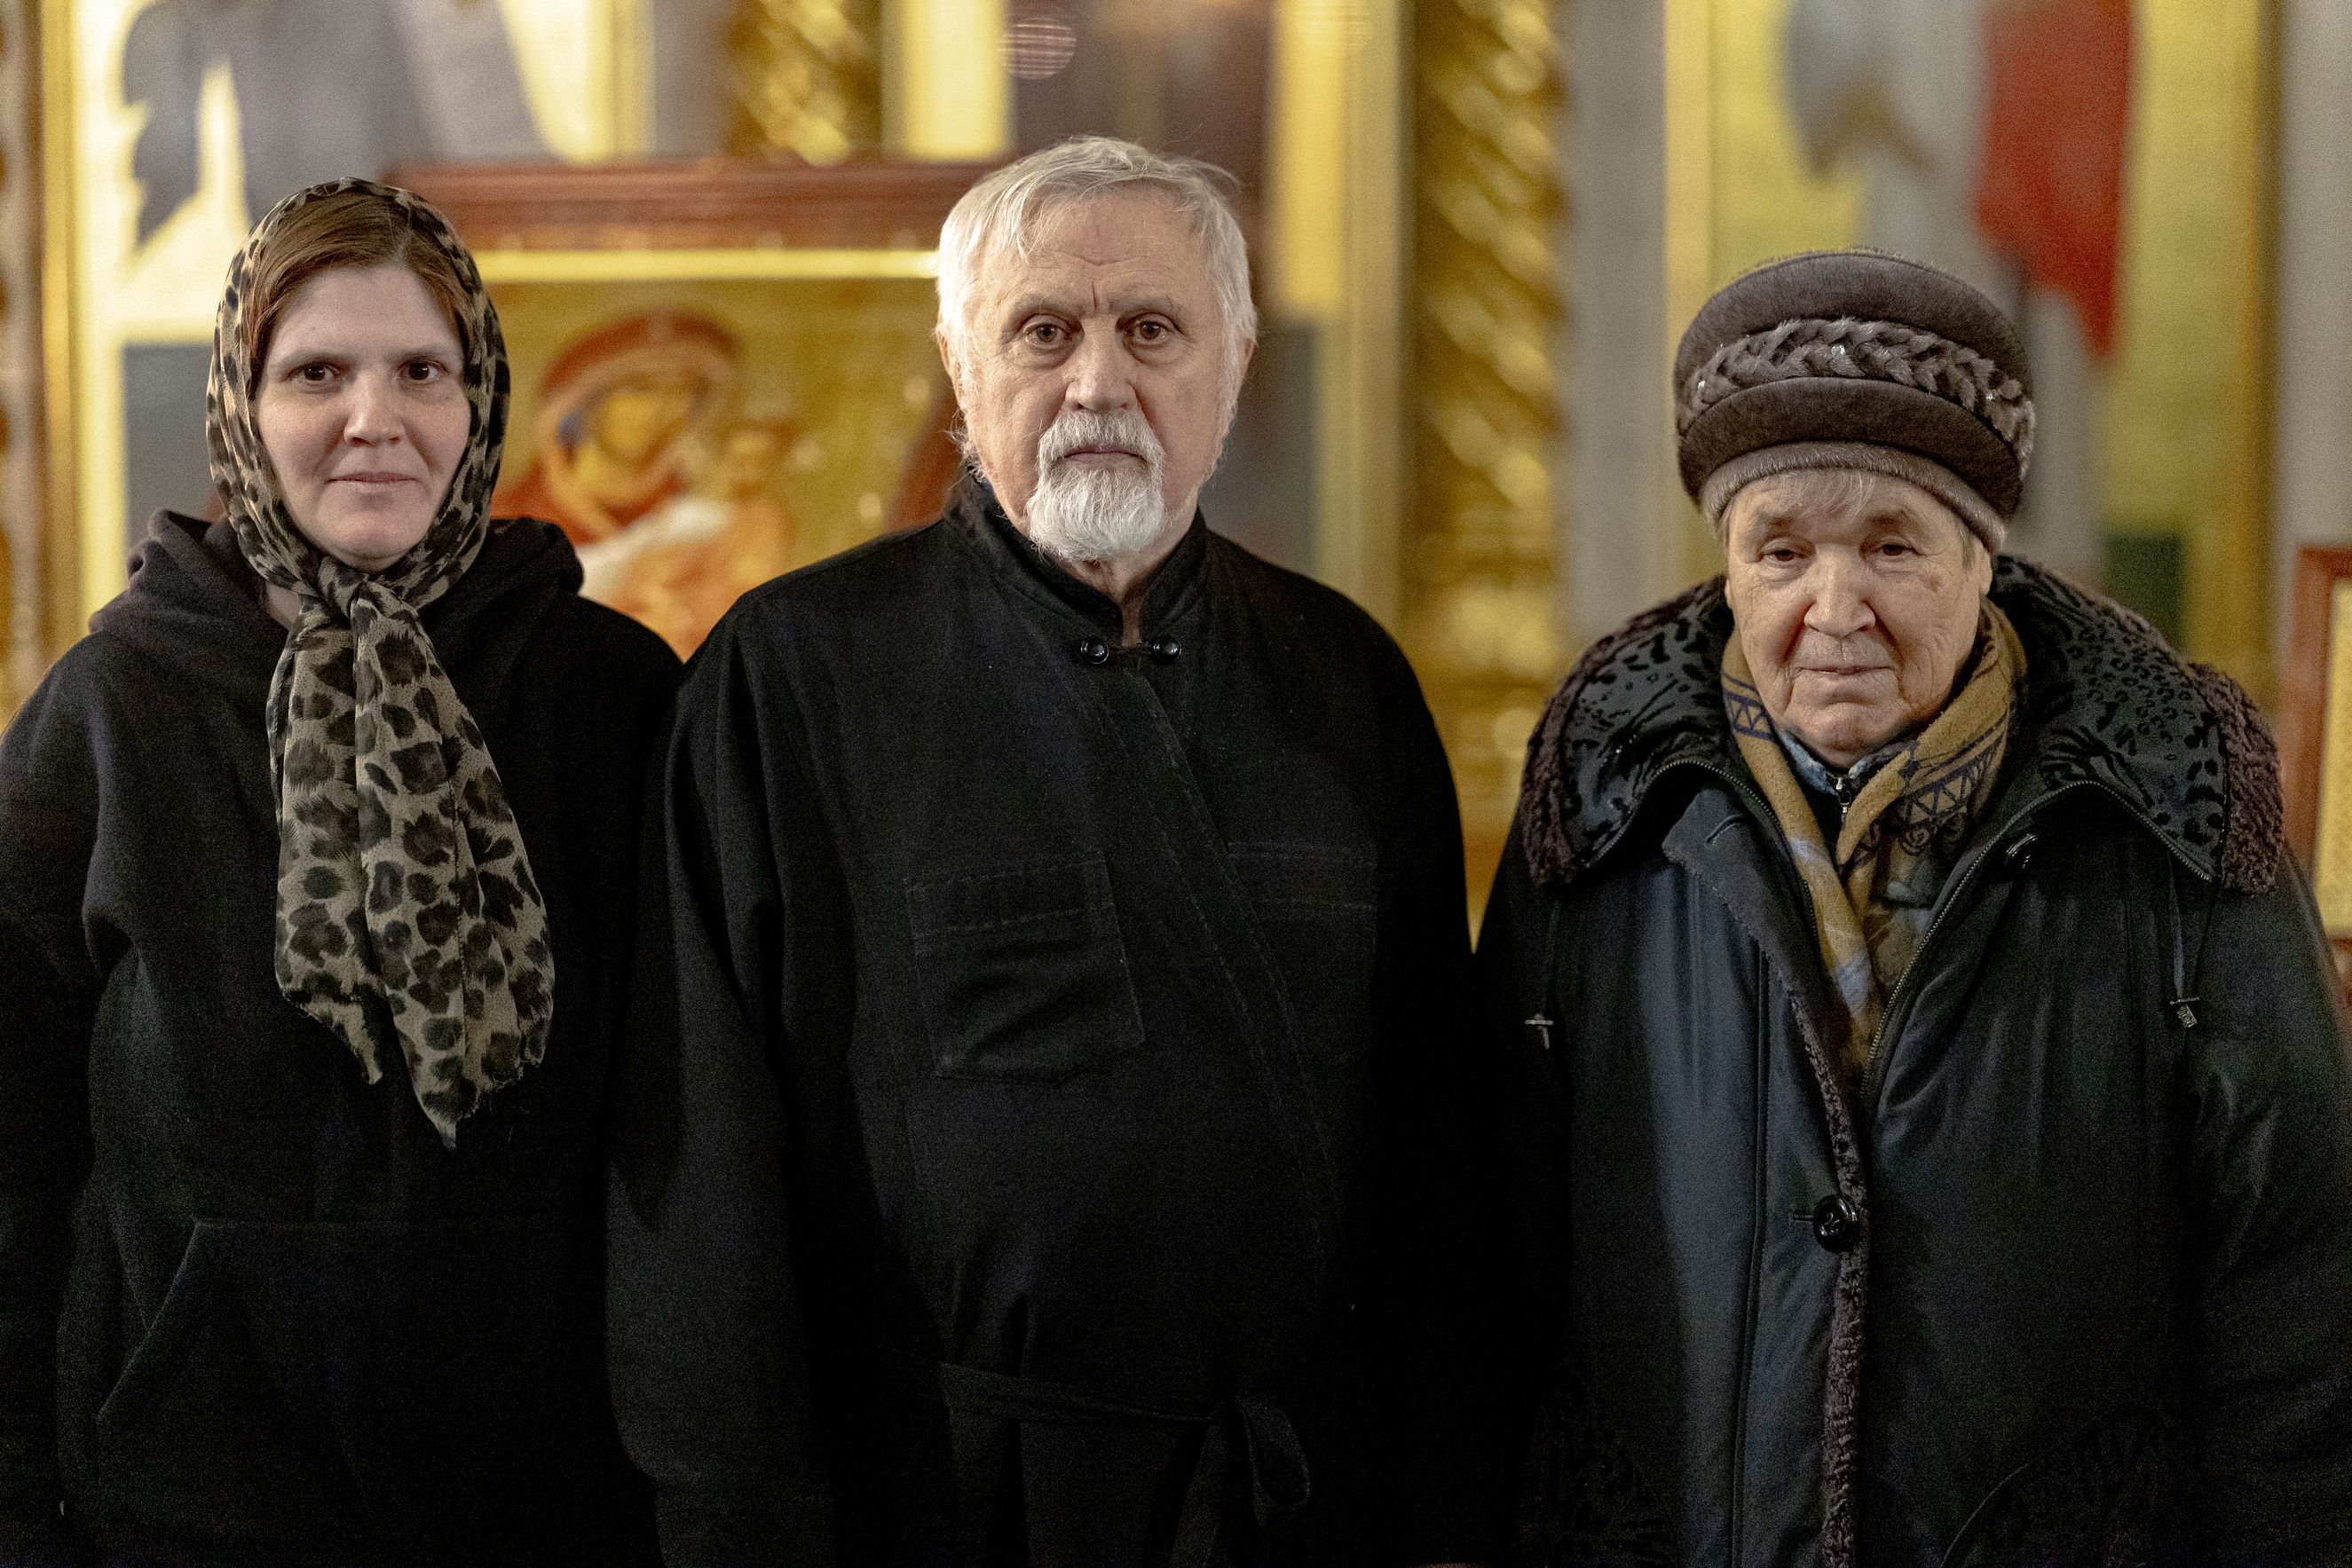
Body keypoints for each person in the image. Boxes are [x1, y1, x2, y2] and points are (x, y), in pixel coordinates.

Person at [608, 137, 1511, 1567]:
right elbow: (701, 1172)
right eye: (1043, 333)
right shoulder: (795, 675)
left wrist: (1447, 1518)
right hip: (946, 1508)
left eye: (1151, 330)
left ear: (1233, 363)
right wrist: (737, 1527)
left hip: (1296, 1505)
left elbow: (1439, 1156)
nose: (1097, 382)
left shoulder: (1344, 681)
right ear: (959, 371)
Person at [1483, 249, 2352, 1564]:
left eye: (1891, 546)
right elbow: (1491, 1247)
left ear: (1981, 559)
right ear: (1729, 566)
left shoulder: (2175, 811)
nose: (1834, 609)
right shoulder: (1598, 806)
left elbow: (2299, 1271)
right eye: (1782, 551)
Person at [0, 180, 678, 1564]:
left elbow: (693, 1123)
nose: (375, 418)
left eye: (422, 370)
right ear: (241, 405)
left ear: (479, 401)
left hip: (552, 1497)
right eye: (317, 372)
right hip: (189, 1502)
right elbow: (10, 1153)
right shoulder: (112, 709)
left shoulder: (612, 699)